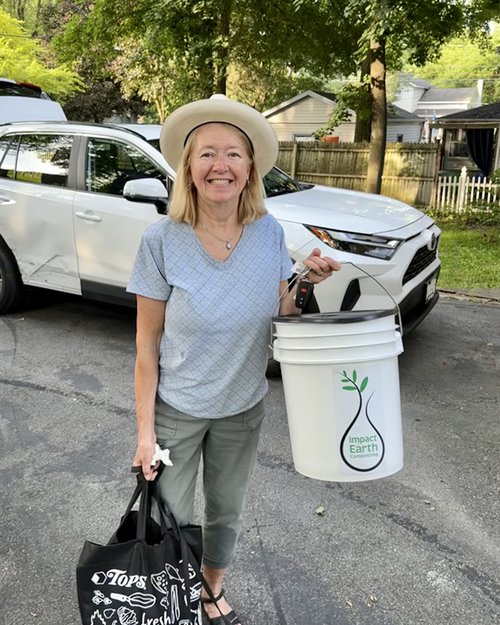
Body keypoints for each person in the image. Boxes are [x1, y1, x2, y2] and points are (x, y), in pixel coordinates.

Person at [127, 94, 341, 625]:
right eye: (206, 154)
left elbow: (283, 313)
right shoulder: (160, 241)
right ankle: (172, 599)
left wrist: (304, 284)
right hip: (178, 409)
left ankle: (209, 591)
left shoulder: (268, 232)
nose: (219, 165)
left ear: (249, 170)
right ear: (189, 169)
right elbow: (145, 349)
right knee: (171, 514)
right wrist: (145, 435)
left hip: (242, 407)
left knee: (226, 514)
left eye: (233, 154)